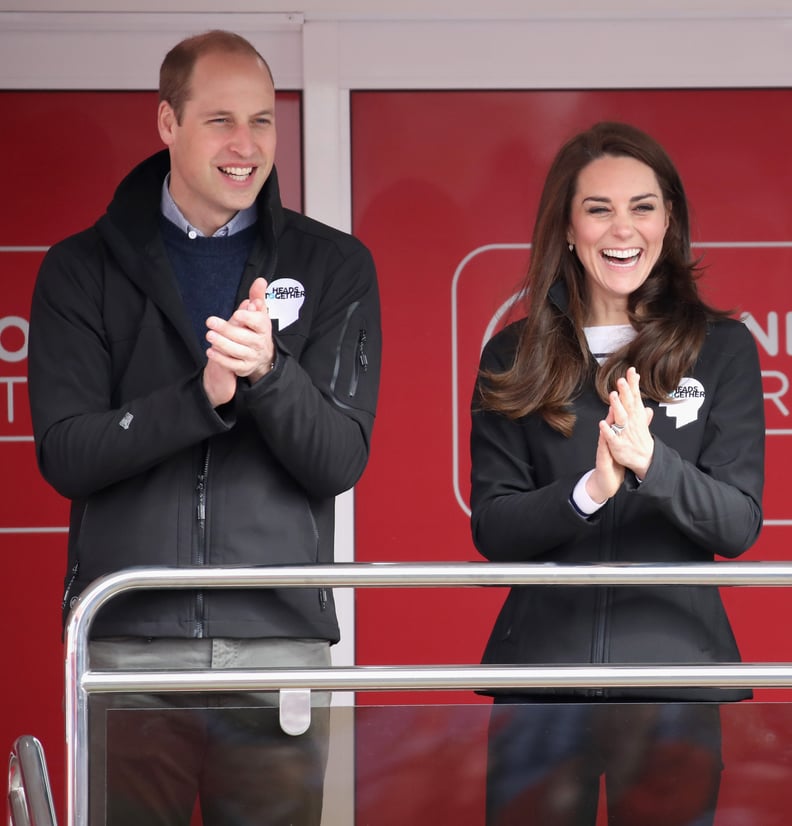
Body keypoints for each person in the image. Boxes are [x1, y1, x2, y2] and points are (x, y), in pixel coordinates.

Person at [27, 29, 381, 826]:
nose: (246, 145)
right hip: (128, 647)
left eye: (262, 121)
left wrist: (269, 375)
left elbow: (337, 458)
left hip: (277, 644)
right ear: (166, 124)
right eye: (220, 120)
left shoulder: (335, 266)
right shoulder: (80, 269)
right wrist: (203, 395)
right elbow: (68, 453)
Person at [469, 121, 764, 825]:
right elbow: (494, 527)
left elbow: (738, 522)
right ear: (567, 228)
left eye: (643, 205)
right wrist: (589, 491)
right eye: (598, 208)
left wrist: (651, 465)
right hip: (543, 686)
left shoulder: (721, 349)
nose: (621, 228)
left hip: (674, 690)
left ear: (669, 222)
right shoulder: (515, 353)